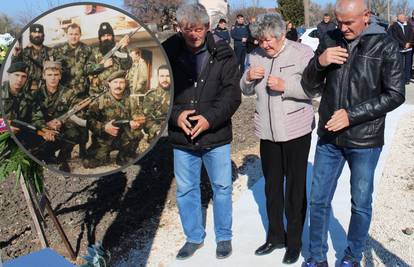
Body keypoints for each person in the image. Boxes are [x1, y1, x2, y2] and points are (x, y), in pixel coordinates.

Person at [301, 0, 405, 266]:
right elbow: (308, 85)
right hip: (329, 138)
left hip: (365, 140)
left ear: (366, 16)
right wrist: (320, 62)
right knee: (318, 201)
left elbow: (395, 95)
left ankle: (352, 255)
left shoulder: (386, 45)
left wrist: (351, 115)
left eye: (349, 22)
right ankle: (315, 257)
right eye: (339, 22)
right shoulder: (329, 39)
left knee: (360, 203)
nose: (343, 28)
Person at [162, 3, 241, 260]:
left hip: (215, 135)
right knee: (186, 189)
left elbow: (232, 94)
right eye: (187, 30)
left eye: (198, 29)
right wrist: (175, 115)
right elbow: (157, 94)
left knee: (221, 187)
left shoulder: (223, 53)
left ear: (207, 27)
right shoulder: (167, 54)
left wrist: (209, 119)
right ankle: (194, 237)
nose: (193, 35)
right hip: (182, 136)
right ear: (179, 29)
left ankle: (224, 236)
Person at [240, 13, 315, 265]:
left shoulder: (302, 53)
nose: (265, 45)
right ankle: (275, 237)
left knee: (295, 188)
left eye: (269, 40)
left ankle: (294, 242)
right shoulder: (254, 55)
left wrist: (286, 86)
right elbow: (245, 89)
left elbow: (314, 88)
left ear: (282, 35)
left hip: (296, 131)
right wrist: (248, 79)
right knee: (272, 187)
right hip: (267, 132)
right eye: (260, 40)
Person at [83, 71, 144, 168]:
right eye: (115, 82)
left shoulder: (131, 101)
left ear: (125, 84)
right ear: (109, 84)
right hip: (104, 139)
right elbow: (89, 120)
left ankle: (124, 155)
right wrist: (104, 127)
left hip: (123, 138)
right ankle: (103, 154)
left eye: (121, 82)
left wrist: (136, 123)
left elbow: (140, 118)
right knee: (88, 163)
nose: (118, 85)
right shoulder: (100, 101)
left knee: (137, 133)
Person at [31, 61, 82, 172]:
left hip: (62, 130)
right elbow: (33, 116)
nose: (53, 78)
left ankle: (63, 157)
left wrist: (62, 122)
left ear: (60, 76)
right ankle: (47, 154)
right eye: (49, 75)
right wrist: (45, 126)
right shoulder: (36, 94)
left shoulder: (69, 93)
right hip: (43, 131)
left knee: (76, 132)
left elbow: (78, 114)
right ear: (44, 76)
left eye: (56, 75)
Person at [86, 22, 132, 95]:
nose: (106, 38)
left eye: (108, 35)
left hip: (118, 92)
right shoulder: (95, 52)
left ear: (112, 36)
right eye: (103, 36)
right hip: (99, 93)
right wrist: (103, 66)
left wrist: (123, 48)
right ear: (100, 38)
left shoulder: (119, 49)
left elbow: (127, 66)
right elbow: (87, 69)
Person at [51, 23, 91, 97]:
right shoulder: (57, 49)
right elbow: (49, 68)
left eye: (76, 34)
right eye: (71, 34)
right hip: (63, 92)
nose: (73, 37)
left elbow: (90, 68)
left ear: (80, 35)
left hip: (81, 92)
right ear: (66, 35)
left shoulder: (87, 49)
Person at [12, 23, 51, 92]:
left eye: (39, 32)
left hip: (46, 91)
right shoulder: (23, 52)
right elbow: (14, 71)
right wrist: (15, 56)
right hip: (26, 92)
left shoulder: (51, 52)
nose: (37, 35)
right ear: (30, 34)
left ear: (43, 35)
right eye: (34, 32)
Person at [142, 65, 171, 142]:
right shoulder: (151, 95)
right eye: (162, 76)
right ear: (158, 77)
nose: (165, 79)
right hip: (158, 134)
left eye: (168, 76)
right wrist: (158, 131)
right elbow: (147, 119)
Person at [1, 62, 32, 132]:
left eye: (24, 76)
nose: (19, 79)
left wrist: (44, 127)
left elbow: (35, 116)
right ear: (9, 75)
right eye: (16, 75)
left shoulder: (28, 96)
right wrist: (4, 128)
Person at [388, 14, 413, 85]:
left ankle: (407, 79)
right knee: (400, 65)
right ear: (398, 18)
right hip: (400, 48)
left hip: (408, 48)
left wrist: (409, 43)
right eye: (401, 17)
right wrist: (403, 44)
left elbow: (411, 34)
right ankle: (401, 79)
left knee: (408, 64)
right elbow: (395, 37)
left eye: (404, 17)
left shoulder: (408, 24)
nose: (403, 18)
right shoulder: (394, 26)